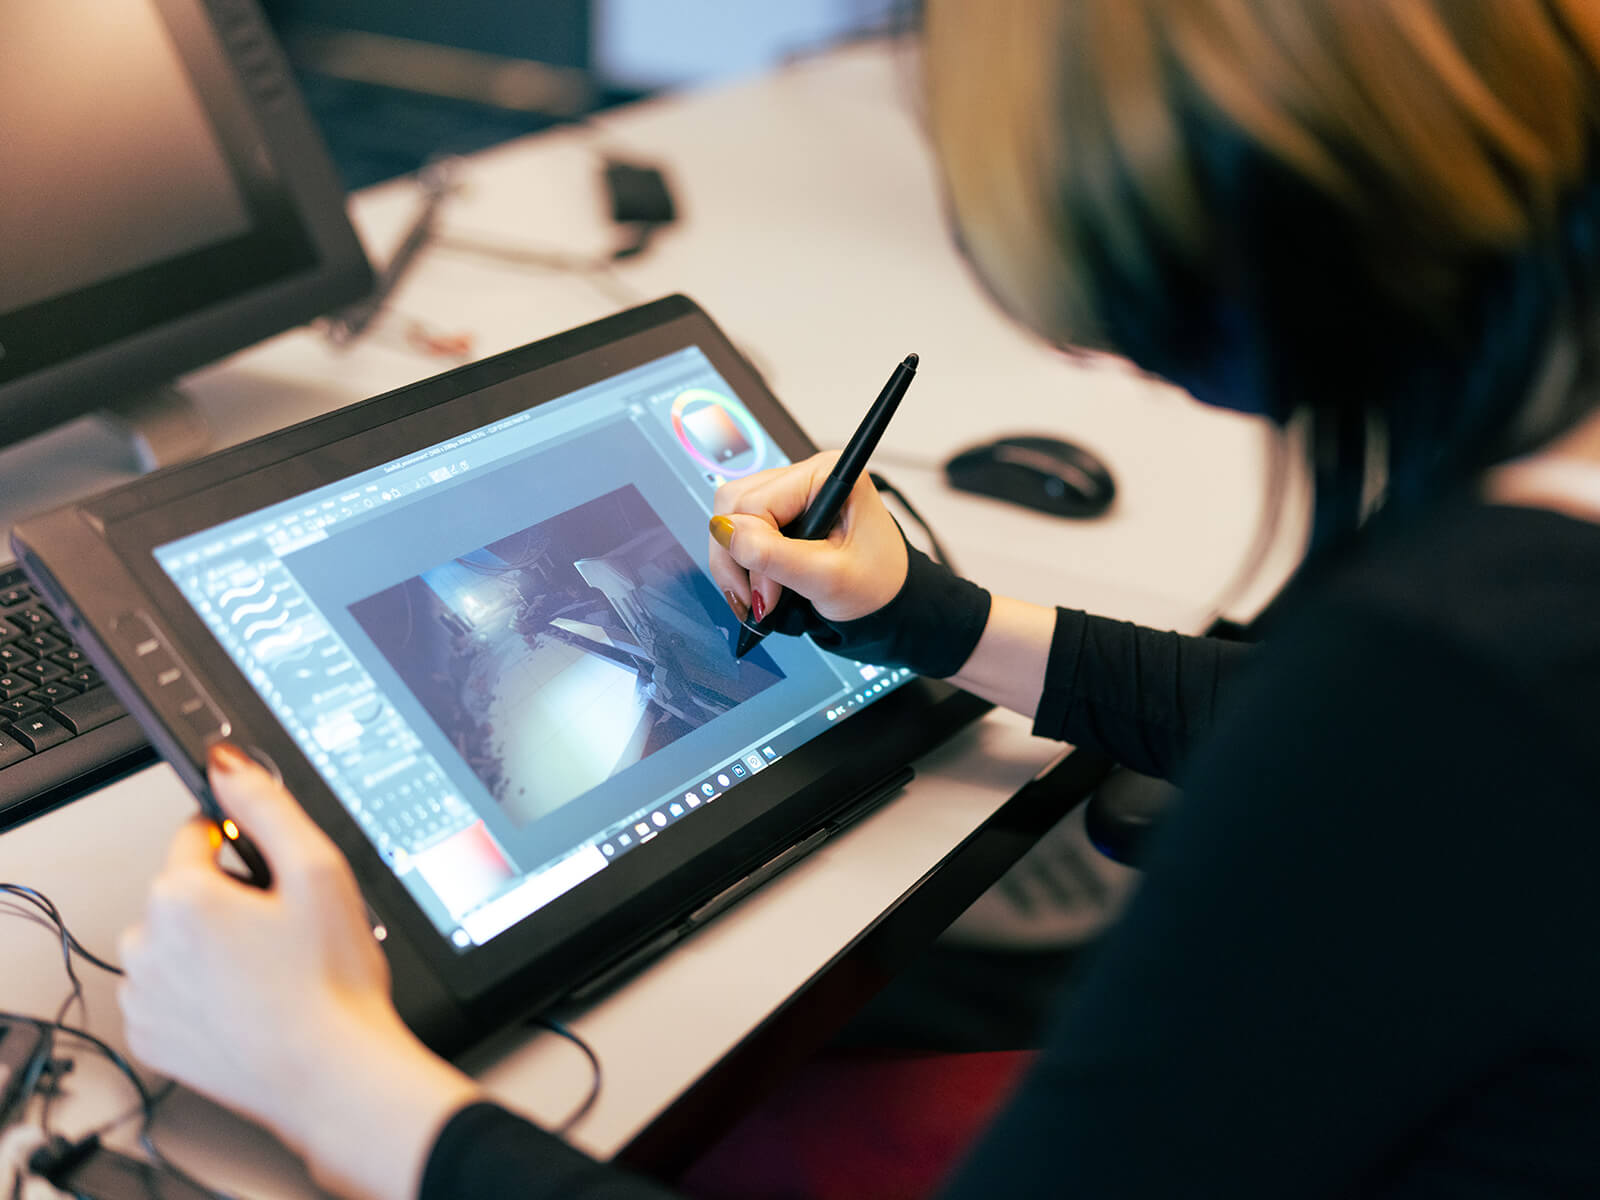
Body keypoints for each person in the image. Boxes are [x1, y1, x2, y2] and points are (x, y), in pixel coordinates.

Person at [117, 1, 1600, 1196]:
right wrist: (939, 623)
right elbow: (1357, 739)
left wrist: (332, 1079)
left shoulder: (1445, 685)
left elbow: (1396, 741)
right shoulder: (1511, 618)